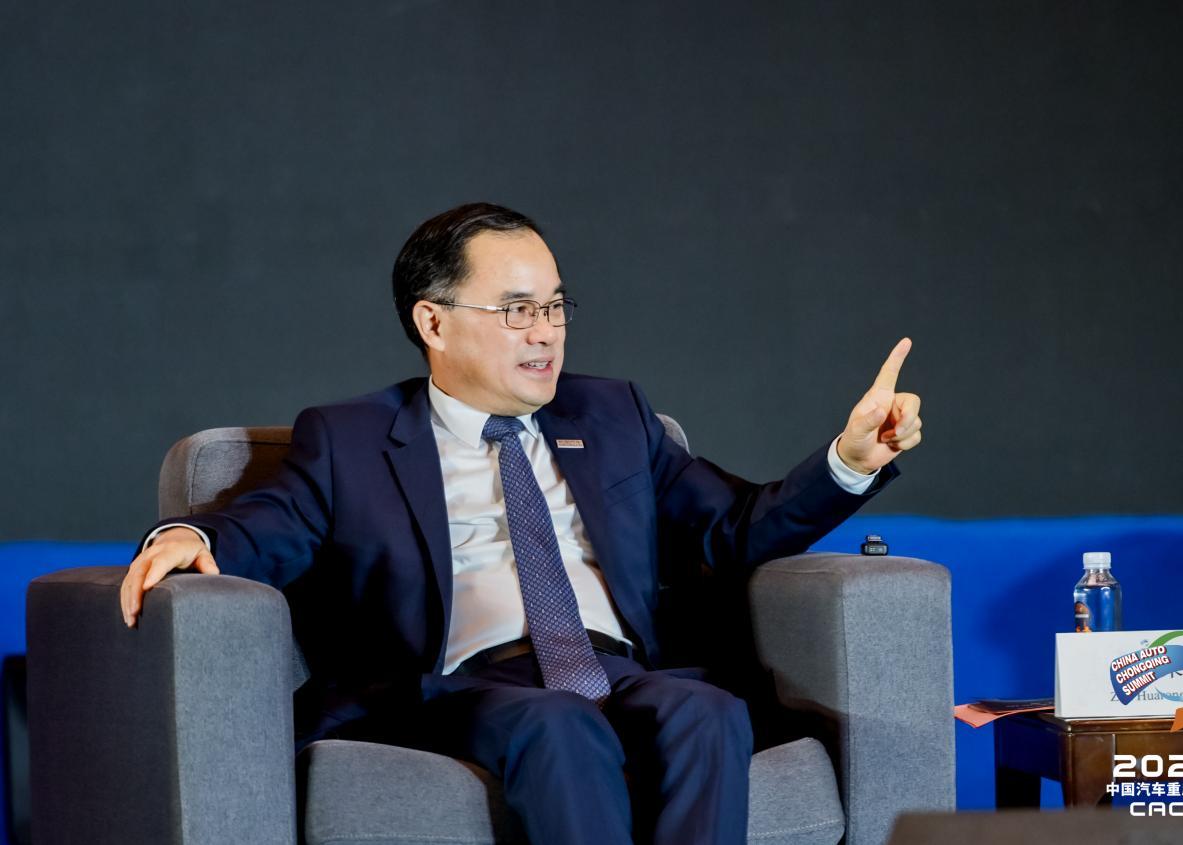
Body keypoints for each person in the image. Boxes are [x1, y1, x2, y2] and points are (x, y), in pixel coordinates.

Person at [118, 202, 924, 845]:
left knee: (707, 709)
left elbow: (736, 526)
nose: (546, 331)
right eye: (515, 310)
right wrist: (192, 537)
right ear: (433, 323)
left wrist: (847, 460)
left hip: (617, 666)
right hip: (463, 682)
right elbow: (273, 522)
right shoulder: (351, 438)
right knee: (556, 722)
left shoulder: (613, 415)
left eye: (554, 305)